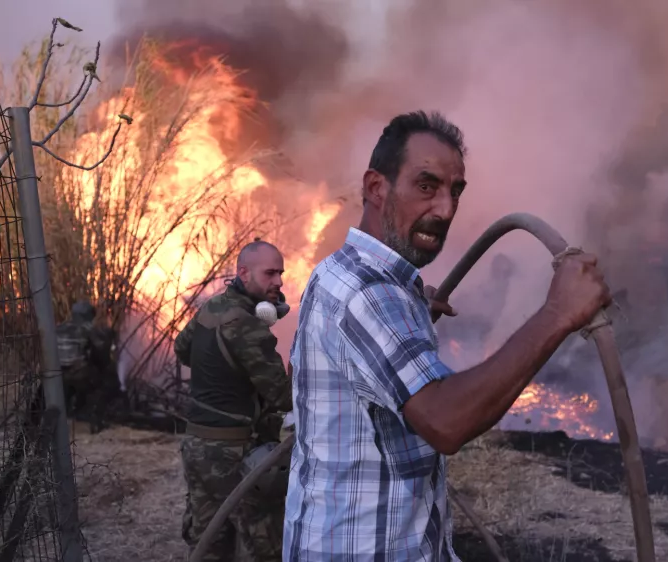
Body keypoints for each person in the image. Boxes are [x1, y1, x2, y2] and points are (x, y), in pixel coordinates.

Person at [283, 110, 612, 561]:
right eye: (426, 186)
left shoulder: (340, 271)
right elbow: (446, 422)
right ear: (376, 187)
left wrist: (411, 310)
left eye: (455, 191)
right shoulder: (369, 294)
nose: (446, 209)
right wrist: (557, 314)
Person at [174, 239, 293, 562]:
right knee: (266, 546)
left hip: (196, 447)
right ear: (243, 273)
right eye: (270, 273)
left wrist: (222, 374)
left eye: (280, 274)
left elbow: (182, 349)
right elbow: (283, 397)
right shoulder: (247, 326)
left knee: (210, 543)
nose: (278, 282)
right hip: (235, 453)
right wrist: (299, 364)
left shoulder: (212, 308)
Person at [55, 300, 119, 434]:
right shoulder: (88, 330)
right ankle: (96, 421)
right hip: (77, 375)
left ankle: (70, 414)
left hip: (56, 375)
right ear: (89, 315)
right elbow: (101, 355)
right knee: (108, 383)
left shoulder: (58, 328)